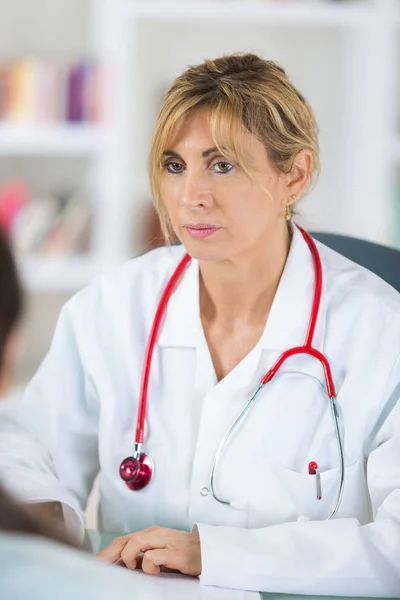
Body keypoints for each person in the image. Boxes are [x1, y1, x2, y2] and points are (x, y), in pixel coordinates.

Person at [0, 52, 399, 597]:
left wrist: (214, 553)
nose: (190, 197)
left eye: (221, 164)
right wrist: (40, 512)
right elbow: (28, 446)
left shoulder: (379, 330)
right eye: (173, 165)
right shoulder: (114, 307)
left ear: (295, 175)